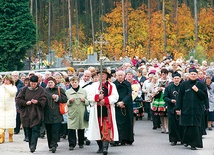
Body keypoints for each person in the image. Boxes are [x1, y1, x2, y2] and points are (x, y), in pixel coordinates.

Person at [87, 68, 119, 155]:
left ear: (107, 75)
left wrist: (105, 100)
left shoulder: (112, 86)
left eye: (104, 74)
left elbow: (115, 97)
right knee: (97, 127)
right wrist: (97, 97)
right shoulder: (93, 86)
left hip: (107, 109)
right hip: (96, 109)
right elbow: (89, 96)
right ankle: (100, 146)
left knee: (106, 127)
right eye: (100, 74)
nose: (102, 76)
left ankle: (105, 147)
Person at [175, 68, 208, 150]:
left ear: (197, 75)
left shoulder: (201, 84)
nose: (193, 75)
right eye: (191, 74)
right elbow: (180, 97)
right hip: (186, 108)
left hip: (197, 109)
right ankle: (186, 141)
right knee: (187, 126)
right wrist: (178, 108)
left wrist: (198, 91)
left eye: (194, 74)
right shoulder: (184, 84)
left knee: (195, 127)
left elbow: (204, 97)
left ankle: (194, 144)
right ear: (189, 75)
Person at [15, 75, 47, 153]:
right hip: (26, 114)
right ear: (30, 82)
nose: (33, 85)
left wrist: (38, 102)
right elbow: (18, 100)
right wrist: (26, 102)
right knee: (28, 131)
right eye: (32, 83)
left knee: (35, 130)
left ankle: (33, 146)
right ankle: (30, 145)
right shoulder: (24, 90)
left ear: (37, 83)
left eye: (35, 84)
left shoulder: (41, 90)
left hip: (36, 113)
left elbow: (44, 100)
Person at [43, 76, 68, 153]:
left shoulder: (59, 90)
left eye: (51, 82)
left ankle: (54, 145)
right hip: (47, 114)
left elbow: (65, 99)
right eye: (49, 82)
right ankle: (50, 145)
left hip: (56, 114)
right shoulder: (45, 91)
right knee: (49, 131)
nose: (50, 84)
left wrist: (57, 98)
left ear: (54, 83)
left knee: (55, 131)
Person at [66, 76, 89, 150]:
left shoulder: (84, 91)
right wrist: (69, 101)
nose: (74, 84)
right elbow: (66, 103)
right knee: (71, 128)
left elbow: (88, 102)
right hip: (72, 112)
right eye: (72, 82)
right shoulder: (68, 92)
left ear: (78, 82)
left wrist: (84, 100)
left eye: (75, 82)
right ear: (70, 83)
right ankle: (72, 144)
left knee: (81, 128)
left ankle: (81, 142)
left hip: (81, 112)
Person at [113, 70, 134, 146]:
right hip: (117, 105)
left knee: (127, 122)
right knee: (117, 123)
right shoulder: (113, 84)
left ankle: (127, 139)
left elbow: (129, 94)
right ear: (116, 76)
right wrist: (118, 103)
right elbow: (112, 95)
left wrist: (123, 102)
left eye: (121, 75)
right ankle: (117, 139)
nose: (120, 77)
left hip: (126, 105)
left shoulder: (127, 84)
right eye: (119, 75)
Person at [163, 72, 183, 146]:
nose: (176, 80)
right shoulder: (168, 87)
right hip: (171, 108)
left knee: (181, 124)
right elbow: (165, 97)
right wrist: (170, 100)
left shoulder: (182, 87)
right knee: (172, 124)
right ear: (172, 79)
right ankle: (173, 140)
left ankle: (182, 139)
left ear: (180, 79)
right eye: (175, 78)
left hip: (181, 108)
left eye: (178, 78)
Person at [0, 75, 17, 144]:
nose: (6, 81)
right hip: (2, 108)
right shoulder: (1, 87)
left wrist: (6, 87)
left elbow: (13, 93)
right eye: (5, 80)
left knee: (10, 124)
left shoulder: (13, 87)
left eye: (7, 80)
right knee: (1, 123)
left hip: (10, 109)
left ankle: (10, 135)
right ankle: (1, 137)